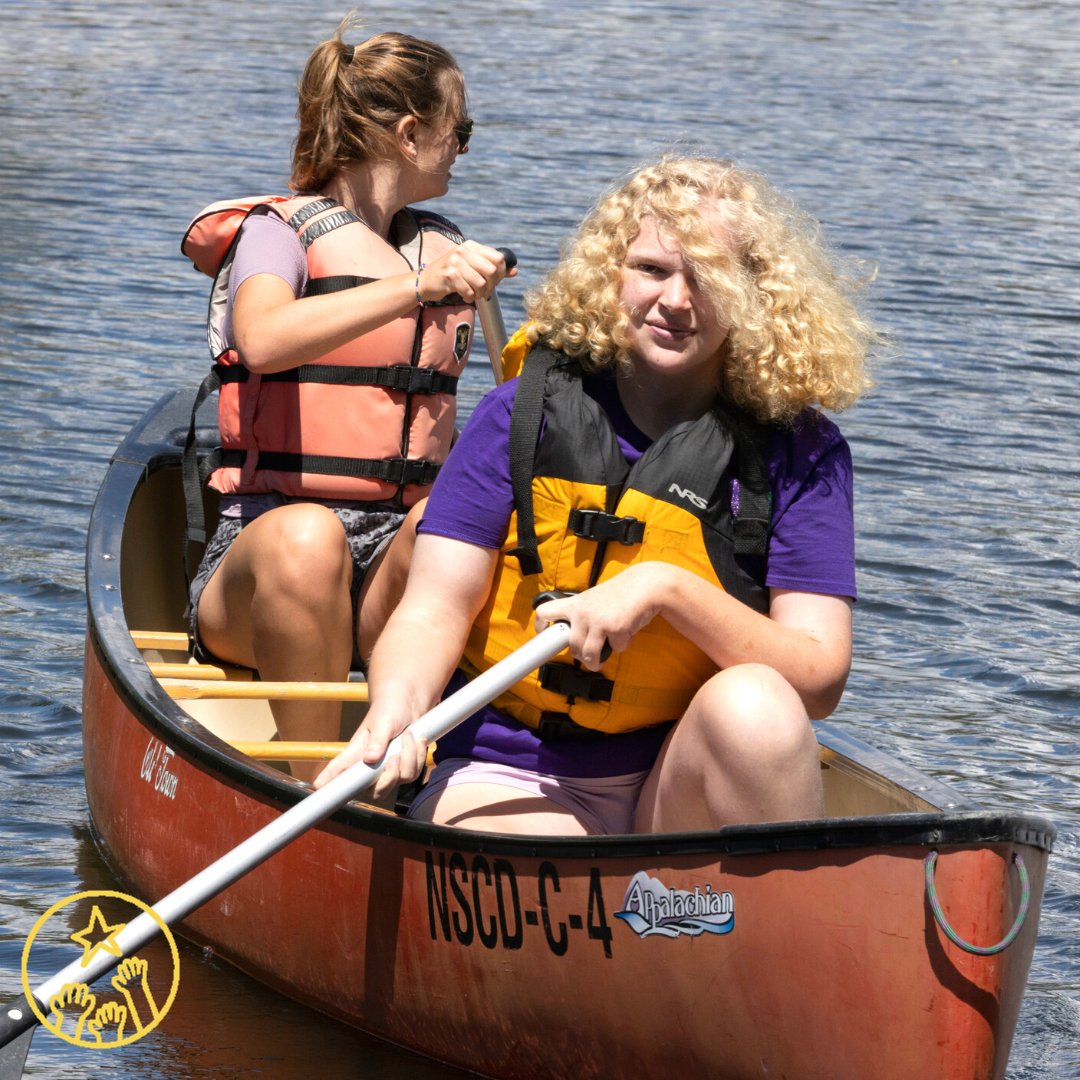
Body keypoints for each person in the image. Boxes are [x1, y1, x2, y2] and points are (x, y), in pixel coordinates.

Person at [314, 154, 878, 836]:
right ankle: (662, 918)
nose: (675, 300)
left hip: (675, 782)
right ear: (612, 276)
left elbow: (817, 678)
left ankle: (756, 922)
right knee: (544, 842)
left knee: (760, 703)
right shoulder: (520, 415)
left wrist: (666, 589)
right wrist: (396, 715)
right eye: (652, 270)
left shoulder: (803, 451)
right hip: (513, 774)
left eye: (709, 277)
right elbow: (433, 611)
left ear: (755, 295)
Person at [186, 15, 513, 781]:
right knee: (310, 540)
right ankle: (312, 785)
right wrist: (413, 290)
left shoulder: (442, 245)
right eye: (458, 131)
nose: (463, 148)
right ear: (409, 131)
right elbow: (262, 339)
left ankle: (470, 762)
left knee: (463, 522)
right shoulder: (281, 232)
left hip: (388, 564)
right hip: (265, 559)